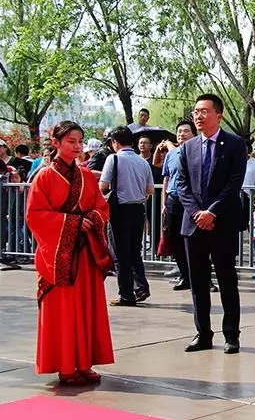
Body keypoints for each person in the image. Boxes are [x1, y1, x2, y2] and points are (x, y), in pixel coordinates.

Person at [26, 120, 115, 385]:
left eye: (80, 142)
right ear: (56, 143)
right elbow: (35, 215)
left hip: (85, 254)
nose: (77, 147)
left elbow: (102, 208)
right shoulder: (44, 177)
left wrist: (91, 219)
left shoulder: (86, 176)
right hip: (59, 257)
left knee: (86, 309)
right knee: (63, 311)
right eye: (71, 142)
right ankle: (65, 367)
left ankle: (84, 363)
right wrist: (74, 222)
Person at [178, 93, 248, 354]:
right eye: (196, 111)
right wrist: (197, 213)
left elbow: (234, 182)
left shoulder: (235, 144)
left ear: (219, 115)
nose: (198, 116)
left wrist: (212, 212)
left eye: (204, 111)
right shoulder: (188, 147)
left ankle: (231, 335)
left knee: (227, 280)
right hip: (193, 224)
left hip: (223, 223)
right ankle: (203, 334)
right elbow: (182, 184)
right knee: (198, 283)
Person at [100, 126, 154, 306]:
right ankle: (141, 287)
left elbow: (103, 185)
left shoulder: (113, 159)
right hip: (138, 209)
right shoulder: (142, 162)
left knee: (120, 254)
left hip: (119, 210)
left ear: (114, 142)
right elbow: (150, 189)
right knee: (134, 251)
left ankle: (126, 294)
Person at [162, 119, 196, 290]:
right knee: (175, 239)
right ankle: (185, 276)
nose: (182, 134)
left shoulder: (198, 152)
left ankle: (203, 278)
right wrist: (164, 204)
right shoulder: (171, 154)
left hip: (191, 201)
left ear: (194, 134)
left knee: (193, 240)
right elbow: (166, 179)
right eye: (179, 132)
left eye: (186, 131)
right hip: (173, 200)